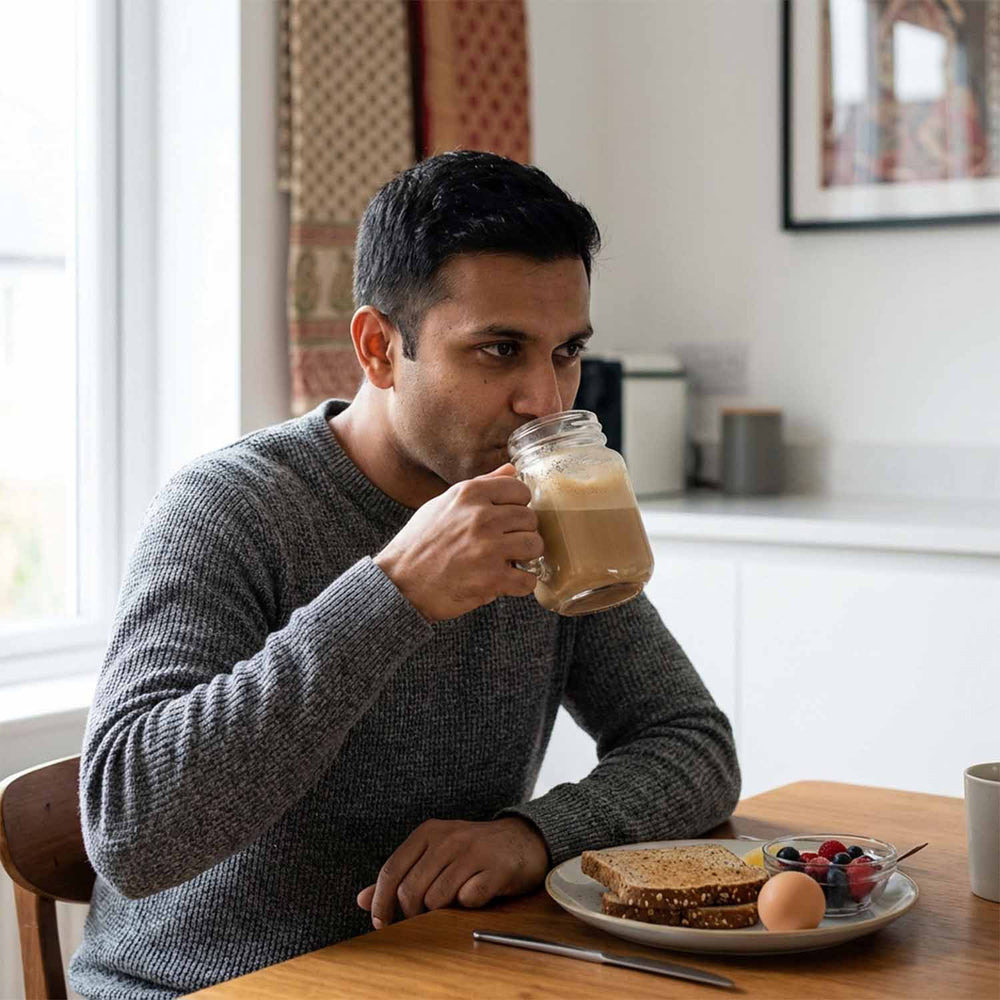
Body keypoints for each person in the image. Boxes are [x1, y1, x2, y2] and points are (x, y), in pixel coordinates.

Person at [70, 151, 740, 1000]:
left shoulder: (545, 506)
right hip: (200, 987)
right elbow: (129, 831)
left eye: (566, 351)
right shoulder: (229, 508)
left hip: (437, 970)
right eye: (500, 350)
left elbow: (692, 744)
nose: (547, 399)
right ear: (379, 348)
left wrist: (533, 837)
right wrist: (394, 594)